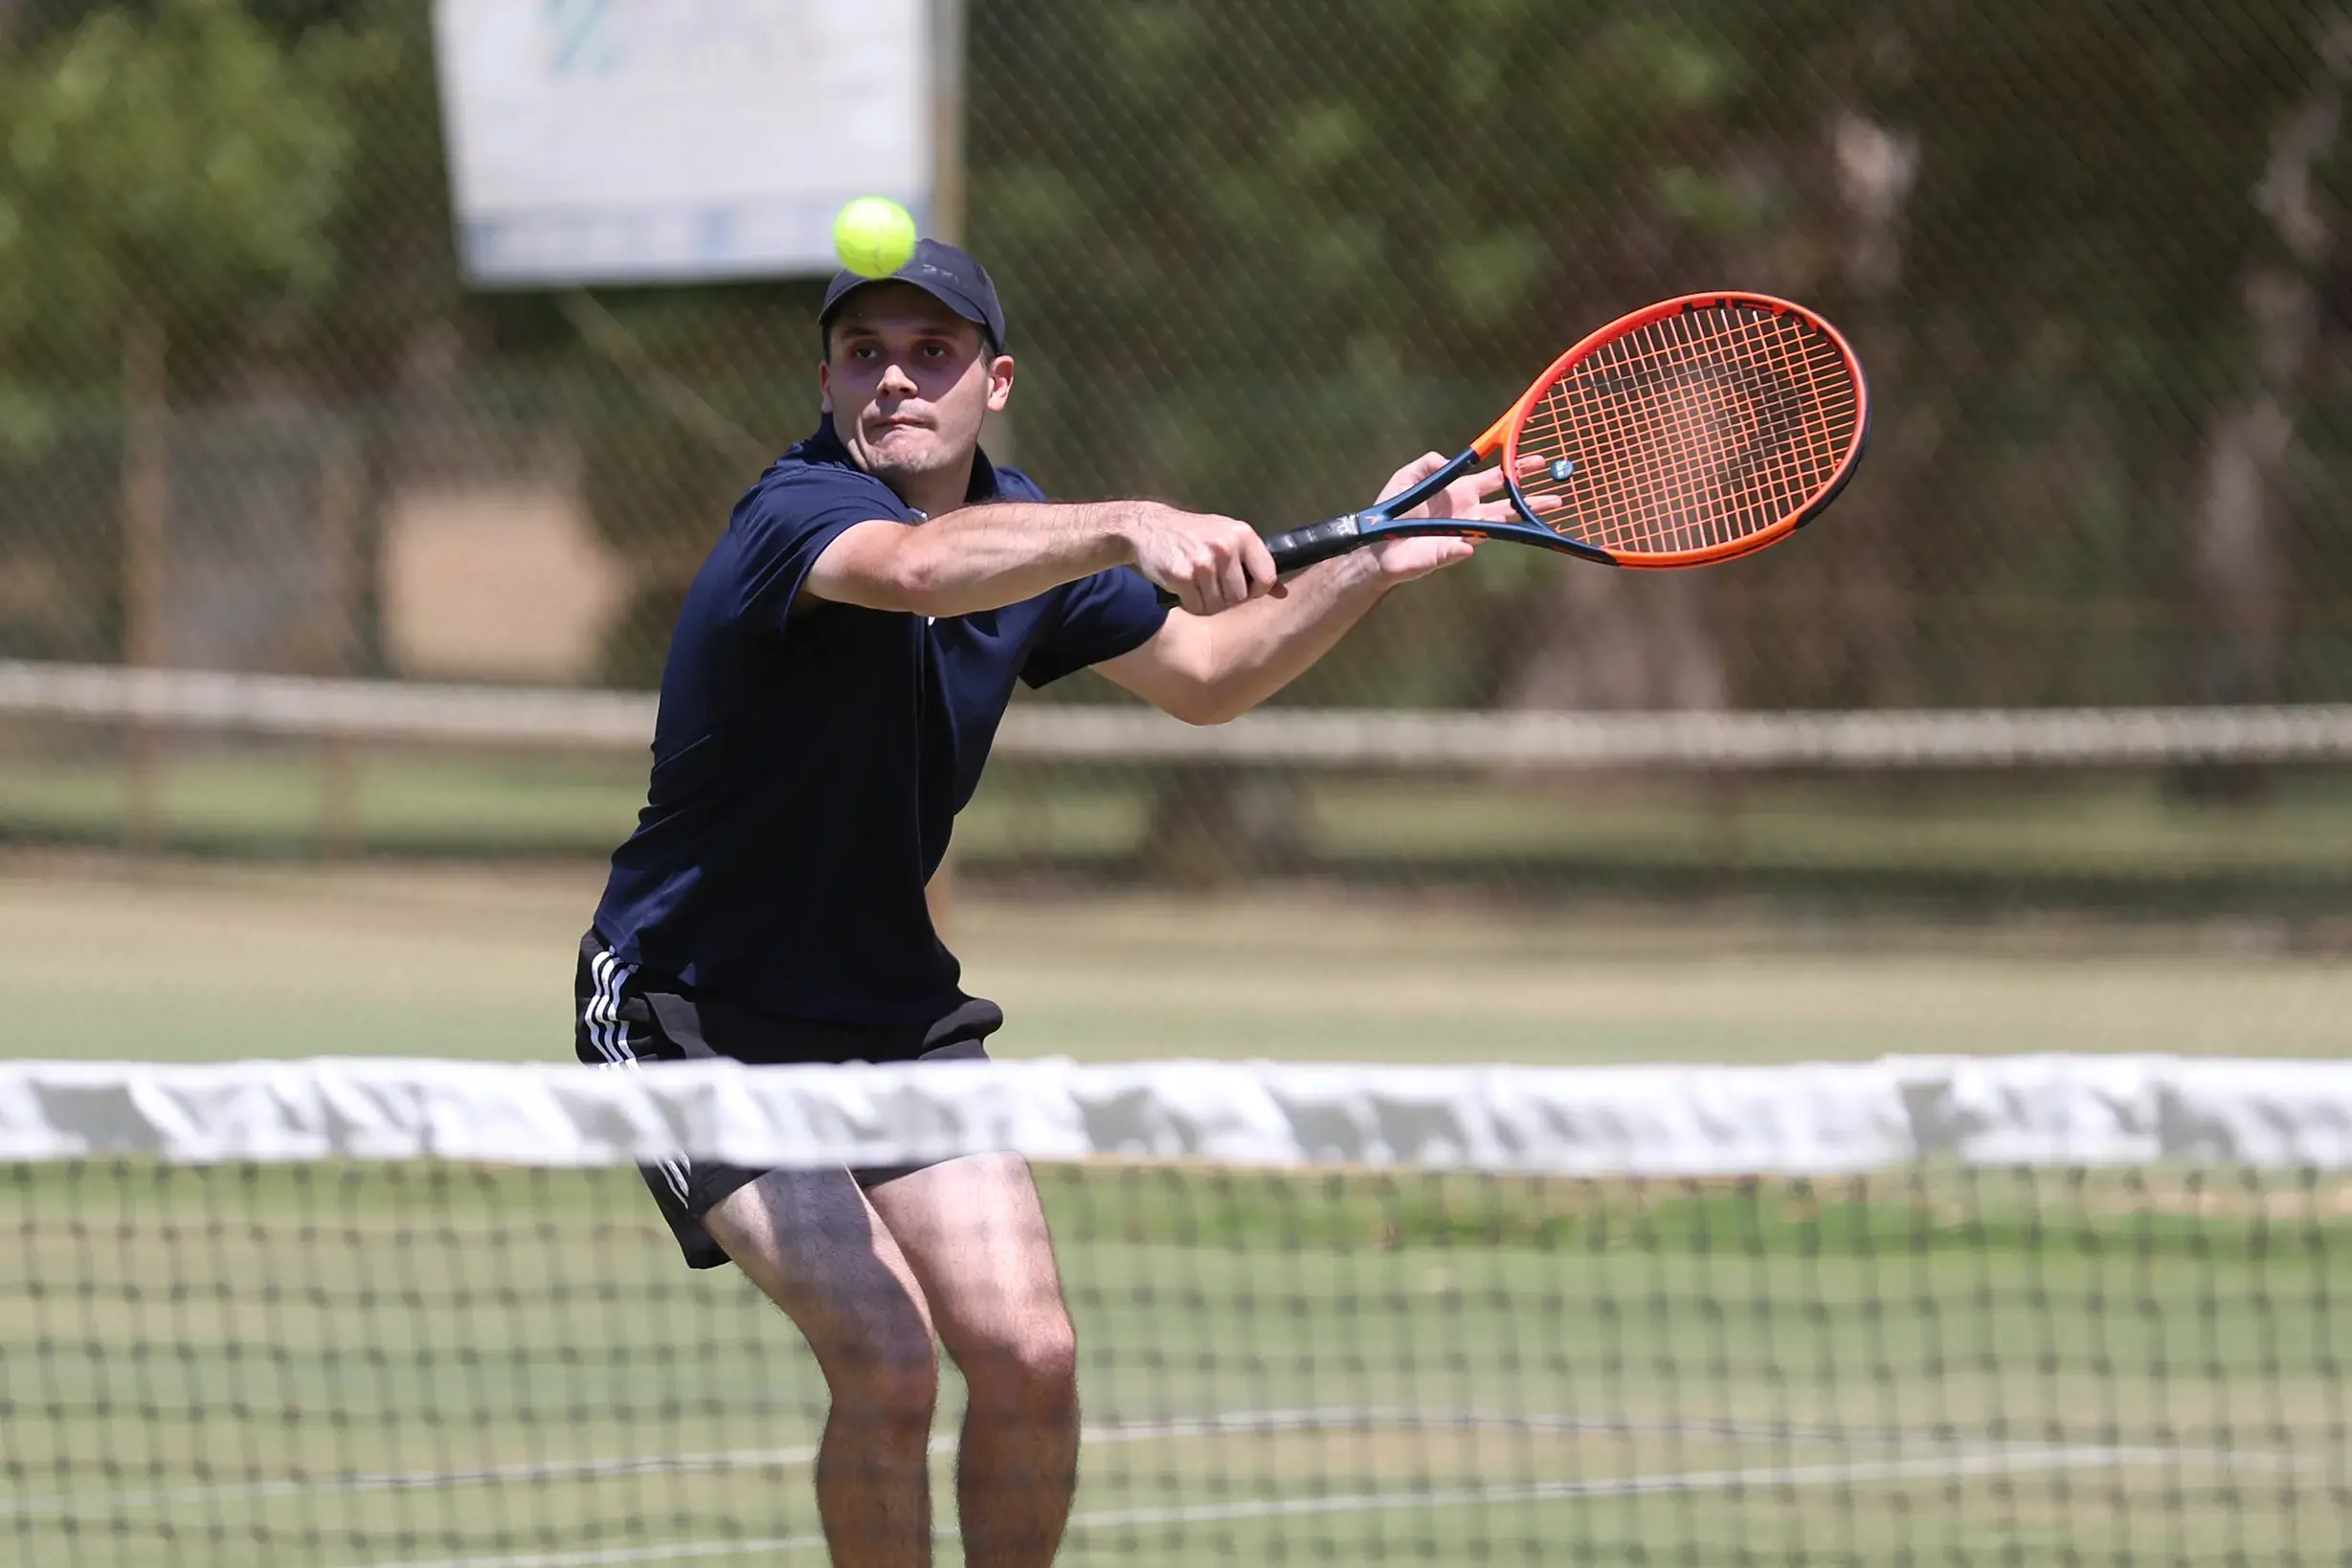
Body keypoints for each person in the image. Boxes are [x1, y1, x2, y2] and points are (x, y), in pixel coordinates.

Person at [575, 239, 1526, 1567]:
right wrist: (1131, 519)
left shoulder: (1026, 538)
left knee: (1030, 1352)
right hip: (691, 1002)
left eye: (933, 353)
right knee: (892, 1358)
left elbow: (1208, 671)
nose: (896, 379)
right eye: (865, 353)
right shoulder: (795, 512)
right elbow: (918, 572)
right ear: (830, 377)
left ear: (995, 380)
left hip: (883, 1007)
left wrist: (1373, 555)